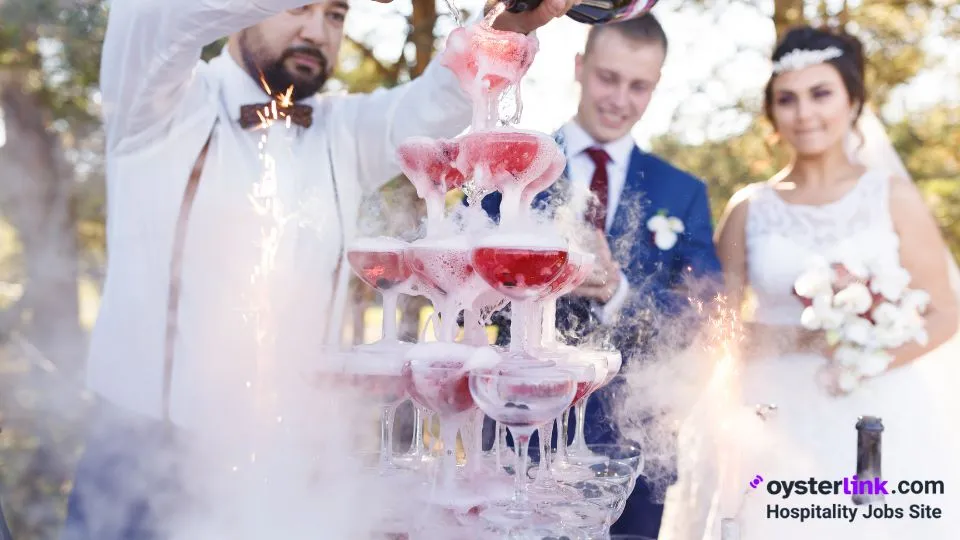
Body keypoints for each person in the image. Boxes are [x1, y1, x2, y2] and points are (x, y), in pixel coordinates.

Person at [62, 1, 575, 539]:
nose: (316, 30)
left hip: (285, 457)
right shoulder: (157, 101)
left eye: (335, 15)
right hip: (143, 462)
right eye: (298, 8)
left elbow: (437, 101)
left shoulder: (342, 130)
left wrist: (508, 23)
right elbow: (153, 15)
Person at [661, 25, 960, 539]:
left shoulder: (890, 195)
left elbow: (947, 311)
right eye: (787, 99)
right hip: (769, 417)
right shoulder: (749, 208)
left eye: (821, 93)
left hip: (878, 407)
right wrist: (796, 338)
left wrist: (866, 354)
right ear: (772, 112)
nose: (804, 113)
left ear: (853, 99)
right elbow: (715, 329)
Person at [478, 14, 722, 538]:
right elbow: (470, 286)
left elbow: (707, 313)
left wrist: (620, 293)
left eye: (639, 86)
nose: (620, 99)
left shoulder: (683, 192)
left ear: (656, 86)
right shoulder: (512, 169)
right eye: (609, 78)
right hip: (519, 430)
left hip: (634, 444)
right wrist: (531, 284)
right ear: (580, 67)